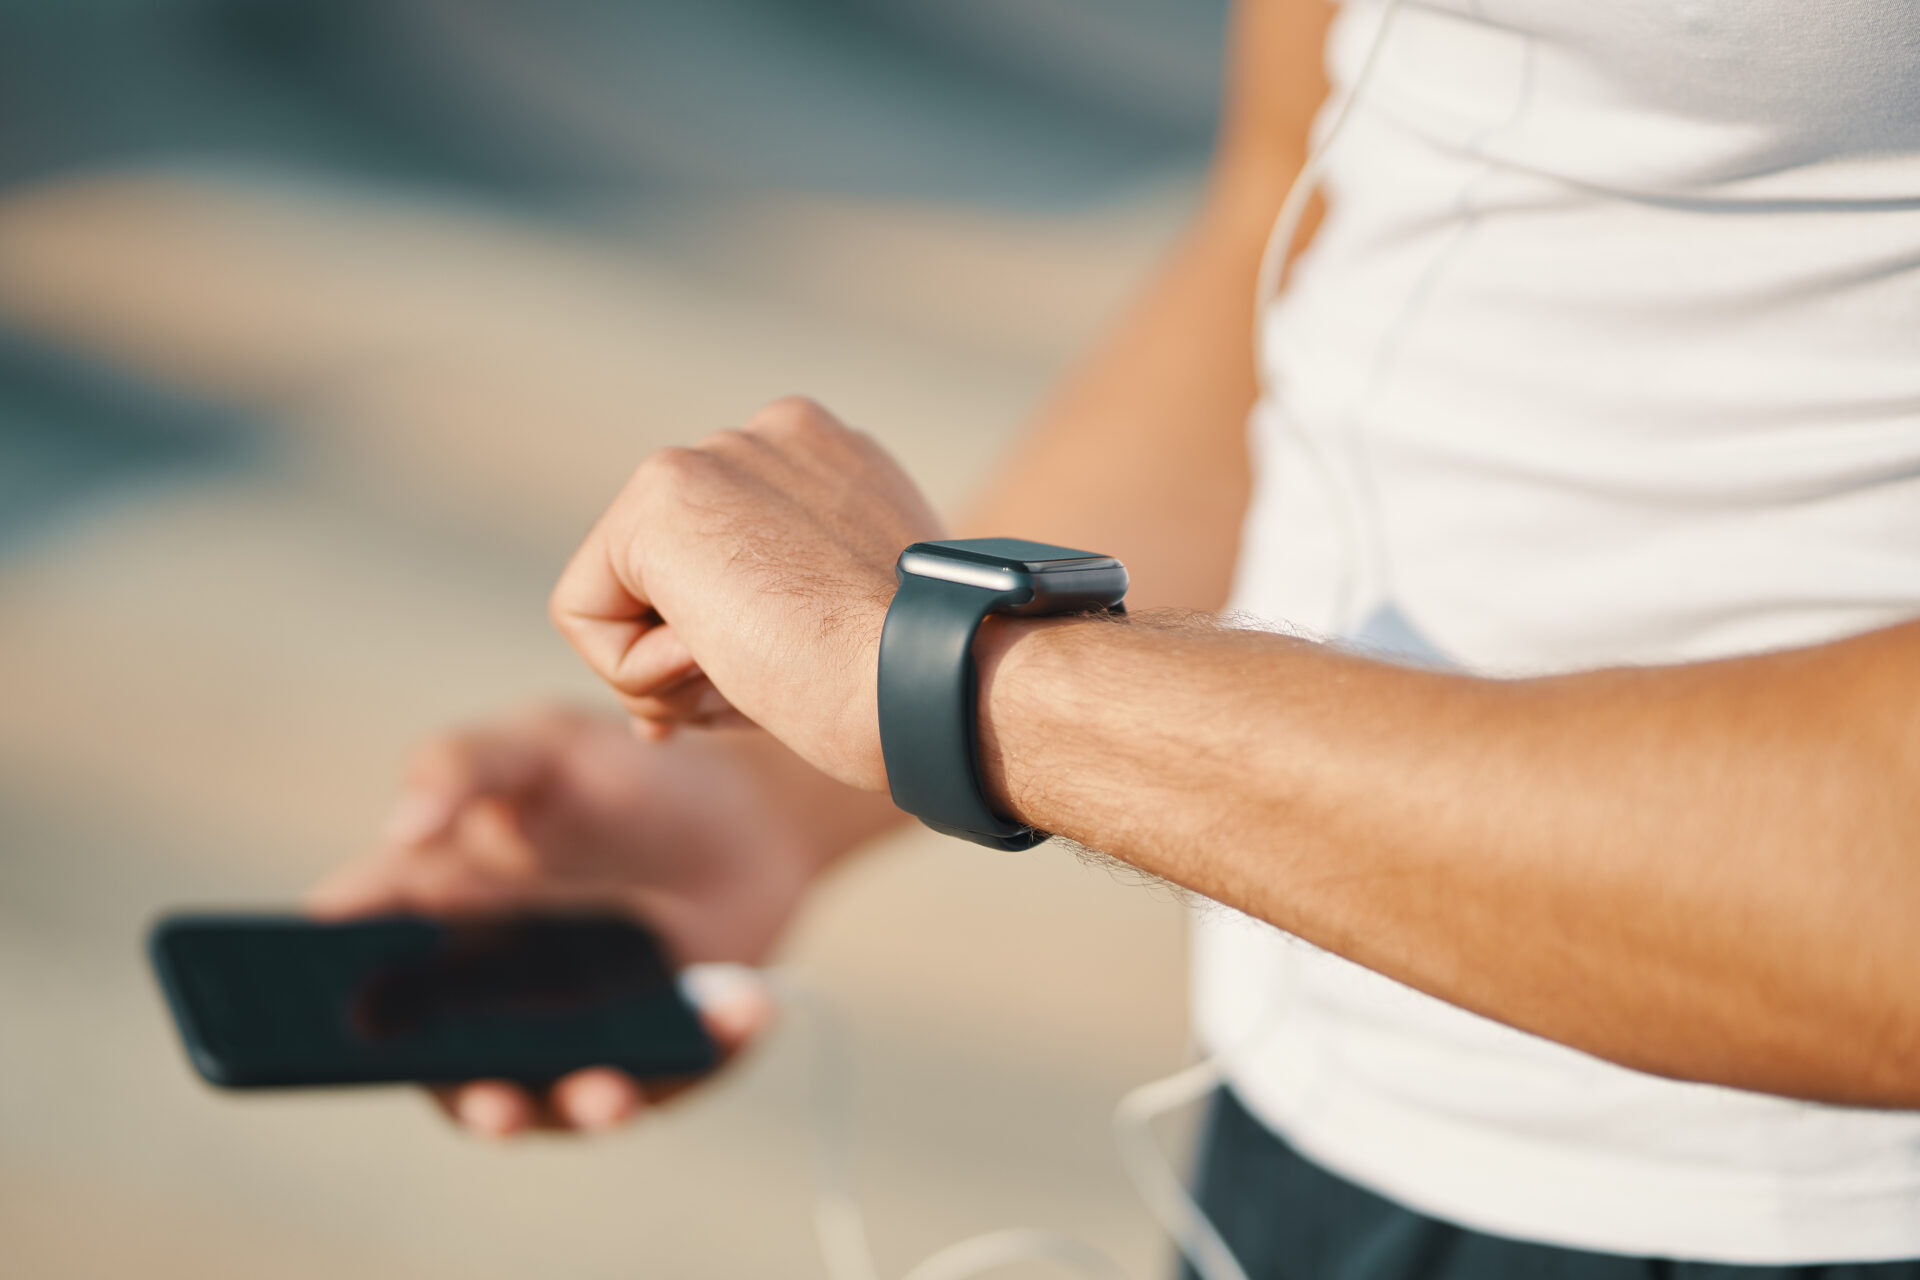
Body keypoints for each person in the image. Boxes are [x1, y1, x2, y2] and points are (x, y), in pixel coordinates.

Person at [309, 0, 1920, 1273]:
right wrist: (777, 781)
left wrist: (945, 679)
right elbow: (1299, 215)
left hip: (1833, 1206)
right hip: (1327, 1127)